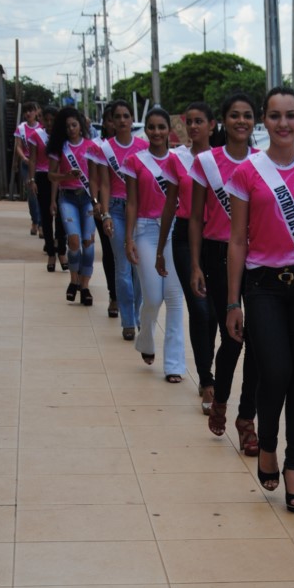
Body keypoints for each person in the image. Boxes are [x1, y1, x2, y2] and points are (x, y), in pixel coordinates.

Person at [226, 86, 294, 511]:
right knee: (276, 369)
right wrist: (233, 302)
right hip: (262, 284)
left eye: (291, 115)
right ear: (264, 120)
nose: (284, 123)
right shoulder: (247, 172)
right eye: (275, 115)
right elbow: (237, 240)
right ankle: (267, 444)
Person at [189, 92, 258, 453]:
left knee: (258, 341)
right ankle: (220, 399)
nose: (241, 121)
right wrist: (195, 265)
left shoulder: (263, 163)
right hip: (217, 255)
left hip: (258, 258)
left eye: (247, 115)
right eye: (234, 115)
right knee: (232, 338)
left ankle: (246, 419)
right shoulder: (207, 162)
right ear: (224, 121)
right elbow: (195, 217)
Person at [156, 102, 219, 411]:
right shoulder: (176, 159)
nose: (193, 127)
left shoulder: (221, 160)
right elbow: (170, 204)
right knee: (199, 309)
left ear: (212, 125)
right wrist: (160, 248)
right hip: (183, 237)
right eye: (189, 121)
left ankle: (209, 369)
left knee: (214, 313)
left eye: (199, 121)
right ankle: (207, 381)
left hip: (217, 238)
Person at [123, 106, 186, 382]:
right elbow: (131, 202)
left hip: (175, 230)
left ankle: (174, 365)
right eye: (152, 127)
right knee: (152, 297)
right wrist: (128, 238)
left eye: (162, 127)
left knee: (174, 298)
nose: (157, 132)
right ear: (146, 130)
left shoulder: (179, 160)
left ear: (169, 130)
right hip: (146, 230)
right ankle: (146, 340)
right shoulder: (135, 161)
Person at [92, 99, 146, 340]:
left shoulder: (144, 147)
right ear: (111, 122)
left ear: (132, 119)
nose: (122, 120)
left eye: (126, 116)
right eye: (118, 117)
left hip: (139, 210)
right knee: (123, 266)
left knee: (139, 267)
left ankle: (138, 314)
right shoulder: (105, 149)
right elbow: (104, 184)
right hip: (115, 208)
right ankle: (128, 321)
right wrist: (104, 214)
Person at [47, 107, 96, 305]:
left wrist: (98, 201)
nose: (71, 129)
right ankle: (74, 279)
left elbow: (96, 177)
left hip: (87, 198)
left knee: (88, 243)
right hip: (67, 197)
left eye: (74, 125)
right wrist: (65, 176)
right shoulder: (60, 148)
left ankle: (85, 286)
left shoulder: (91, 147)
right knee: (74, 241)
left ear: (80, 126)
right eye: (67, 127)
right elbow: (51, 175)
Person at [27, 105, 67, 270]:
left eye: (53, 120)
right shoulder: (36, 136)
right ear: (41, 119)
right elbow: (32, 159)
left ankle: (62, 251)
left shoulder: (63, 136)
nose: (49, 123)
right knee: (46, 216)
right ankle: (51, 253)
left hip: (61, 178)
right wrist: (32, 180)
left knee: (62, 216)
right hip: (43, 177)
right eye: (47, 120)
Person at [90, 104, 119, 320]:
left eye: (122, 118)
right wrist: (96, 202)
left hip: (131, 207)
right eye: (111, 119)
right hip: (106, 206)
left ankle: (132, 296)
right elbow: (93, 178)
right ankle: (114, 296)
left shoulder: (136, 147)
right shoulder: (98, 147)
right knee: (110, 253)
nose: (116, 123)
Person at [14, 101, 43, 237]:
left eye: (30, 110)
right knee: (31, 194)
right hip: (27, 164)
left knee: (42, 194)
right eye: (26, 111)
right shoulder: (21, 128)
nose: (28, 113)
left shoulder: (42, 128)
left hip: (40, 166)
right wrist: (23, 158)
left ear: (36, 112)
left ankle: (42, 224)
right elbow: (18, 146)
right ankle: (35, 221)